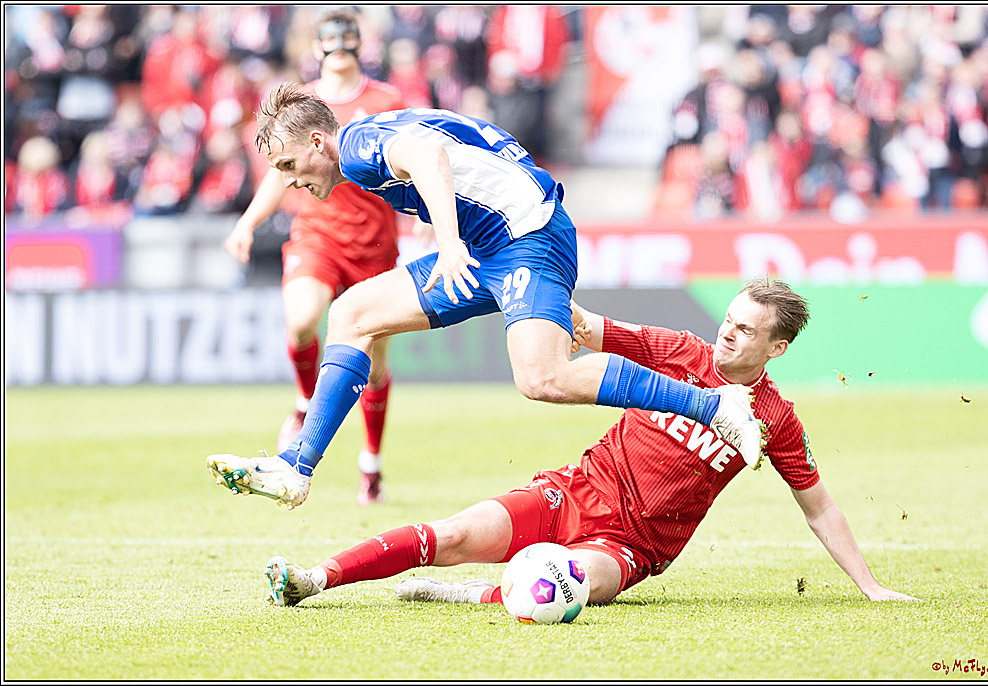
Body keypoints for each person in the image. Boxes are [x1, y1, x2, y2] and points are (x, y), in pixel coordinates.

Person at [205, 84, 764, 509]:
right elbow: (460, 141)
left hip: (528, 239)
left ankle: (716, 407)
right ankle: (296, 467)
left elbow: (429, 155)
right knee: (350, 313)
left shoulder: (355, 147)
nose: (290, 182)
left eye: (287, 166)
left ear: (316, 141)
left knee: (541, 378)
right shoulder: (365, 137)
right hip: (488, 242)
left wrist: (447, 239)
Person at [260, 279, 919, 607]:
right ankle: (315, 579)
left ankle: (473, 593)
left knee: (565, 589)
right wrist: (523, 282)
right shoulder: (679, 352)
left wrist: (871, 587)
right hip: (574, 493)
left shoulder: (775, 417)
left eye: (746, 331)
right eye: (728, 320)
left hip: (630, 549)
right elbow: (584, 325)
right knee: (454, 535)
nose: (727, 335)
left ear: (776, 347)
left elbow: (819, 507)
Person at [222, 10, 407, 505]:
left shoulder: (387, 100)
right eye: (332, 39)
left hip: (375, 242)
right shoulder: (303, 102)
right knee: (302, 321)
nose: (340, 46)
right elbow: (277, 172)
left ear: (360, 43)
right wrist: (249, 221)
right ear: (318, 46)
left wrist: (431, 226)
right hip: (317, 234)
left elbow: (412, 163)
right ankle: (307, 402)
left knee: (375, 362)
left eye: (348, 38)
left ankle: (371, 463)